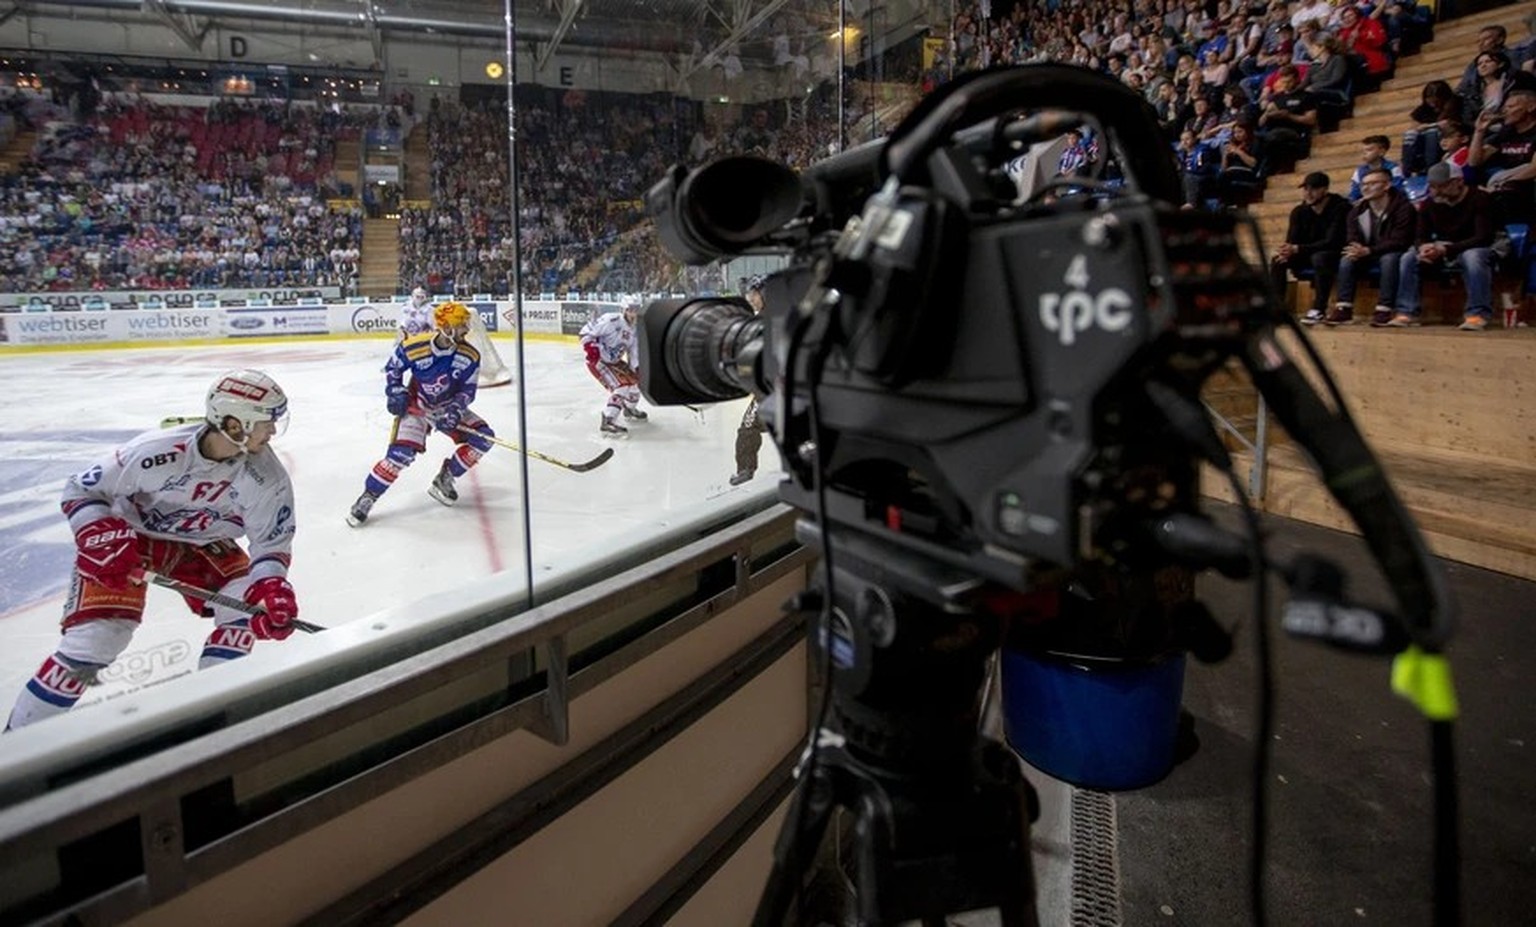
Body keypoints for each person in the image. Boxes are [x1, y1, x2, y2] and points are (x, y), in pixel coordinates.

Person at [5, 370, 300, 731]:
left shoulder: (267, 477)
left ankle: (213, 721)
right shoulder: (154, 452)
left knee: (243, 611)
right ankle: (16, 743)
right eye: (267, 422)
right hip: (130, 540)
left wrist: (270, 587)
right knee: (96, 640)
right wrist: (96, 530)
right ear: (235, 424)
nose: (272, 432)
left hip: (204, 545)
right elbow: (81, 490)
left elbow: (270, 542)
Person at [347, 302, 496, 526]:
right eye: (461, 326)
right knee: (400, 456)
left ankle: (446, 478)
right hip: (417, 407)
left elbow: (468, 390)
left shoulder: (470, 355)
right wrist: (395, 390)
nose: (466, 330)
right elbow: (393, 368)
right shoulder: (414, 346)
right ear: (446, 327)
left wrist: (456, 409)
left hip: (447, 407)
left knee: (484, 438)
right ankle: (368, 497)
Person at [1395, 162, 1498, 330]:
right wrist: (1423, 247)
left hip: (1479, 245)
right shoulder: (1430, 202)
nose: (1435, 191)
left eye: (1441, 186)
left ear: (1458, 182)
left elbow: (1483, 237)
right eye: (1432, 186)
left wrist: (1446, 249)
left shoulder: (1480, 198)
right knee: (1409, 257)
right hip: (1445, 247)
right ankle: (1406, 312)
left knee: (1472, 256)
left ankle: (1477, 314)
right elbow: (1420, 235)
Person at [1330, 166, 1415, 326]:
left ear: (1387, 185)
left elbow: (1400, 240)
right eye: (1363, 185)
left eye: (1372, 183)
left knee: (1389, 259)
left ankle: (1384, 308)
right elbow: (1352, 236)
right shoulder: (1356, 211)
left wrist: (1369, 250)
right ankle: (1344, 308)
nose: (1366, 188)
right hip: (1366, 252)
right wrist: (1356, 248)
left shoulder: (1403, 207)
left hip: (1393, 250)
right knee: (1347, 259)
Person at [1271, 171, 1350, 324]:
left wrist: (1298, 248)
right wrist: (1286, 251)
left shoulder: (1341, 208)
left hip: (1334, 253)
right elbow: (1292, 241)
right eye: (1306, 189)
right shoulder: (1299, 211)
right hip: (1307, 252)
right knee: (1278, 260)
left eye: (1313, 189)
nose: (1308, 193)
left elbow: (1332, 241)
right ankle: (1276, 309)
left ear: (1325, 190)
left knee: (1320, 257)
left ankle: (1319, 308)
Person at [1468, 85, 1536, 227]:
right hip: (1503, 183)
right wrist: (1479, 131)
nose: (1505, 111)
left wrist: (1500, 185)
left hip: (1525, 185)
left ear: (1531, 107)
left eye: (1511, 107)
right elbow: (1474, 161)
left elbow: (1533, 168)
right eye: (1505, 107)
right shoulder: (1507, 132)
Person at [580, 300, 646, 436]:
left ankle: (629, 408)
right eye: (631, 309)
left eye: (637, 309)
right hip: (598, 361)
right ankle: (608, 420)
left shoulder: (635, 330)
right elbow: (585, 332)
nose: (634, 313)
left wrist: (637, 369)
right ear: (624, 310)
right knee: (621, 387)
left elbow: (633, 353)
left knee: (635, 383)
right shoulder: (611, 319)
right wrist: (590, 348)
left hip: (614, 361)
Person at [731, 277, 769, 486]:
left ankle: (745, 469)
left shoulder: (765, 320)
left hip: (770, 389)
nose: (751, 299)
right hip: (777, 386)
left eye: (753, 295)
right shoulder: (771, 316)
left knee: (748, 427)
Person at [1346, 135, 1405, 200]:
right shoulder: (1359, 171)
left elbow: (1398, 190)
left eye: (1369, 150)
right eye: (1363, 151)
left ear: (1381, 152)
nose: (1365, 153)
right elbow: (1354, 195)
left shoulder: (1393, 168)